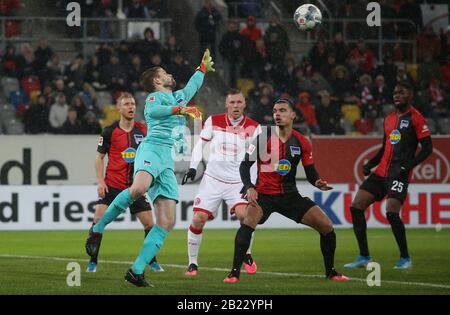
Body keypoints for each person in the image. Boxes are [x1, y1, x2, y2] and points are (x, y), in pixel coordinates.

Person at [85, 49, 215, 287]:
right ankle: (98, 226)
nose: (169, 74)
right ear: (157, 80)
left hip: (167, 160)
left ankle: (136, 271)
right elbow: (155, 112)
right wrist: (181, 110)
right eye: (164, 73)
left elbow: (192, 87)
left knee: (167, 222)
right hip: (151, 150)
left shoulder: (177, 96)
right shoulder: (154, 98)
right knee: (139, 188)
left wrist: (202, 69)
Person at [223, 98, 349, 283]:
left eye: (282, 110)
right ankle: (234, 273)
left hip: (290, 196)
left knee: (327, 226)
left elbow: (310, 172)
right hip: (264, 195)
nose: (277, 114)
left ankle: (331, 272)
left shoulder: (302, 142)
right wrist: (249, 187)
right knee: (248, 222)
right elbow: (244, 166)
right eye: (275, 111)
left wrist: (317, 182)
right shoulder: (263, 138)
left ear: (293, 115)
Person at [344, 82, 433, 269]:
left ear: (410, 95)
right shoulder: (389, 119)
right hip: (381, 172)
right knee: (356, 206)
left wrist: (408, 166)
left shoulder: (416, 118)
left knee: (391, 212)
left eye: (401, 92)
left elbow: (428, 148)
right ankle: (364, 256)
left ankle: (405, 258)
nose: (397, 95)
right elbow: (385, 148)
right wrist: (371, 163)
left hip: (398, 174)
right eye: (394, 92)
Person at [181, 89, 261, 277]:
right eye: (232, 102)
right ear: (226, 104)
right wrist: (193, 167)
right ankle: (192, 263)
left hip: (237, 182)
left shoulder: (254, 127)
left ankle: (247, 254)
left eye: (239, 102)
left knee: (245, 217)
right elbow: (200, 145)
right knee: (198, 219)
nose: (235, 106)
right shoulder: (213, 121)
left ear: (244, 104)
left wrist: (251, 184)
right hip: (212, 180)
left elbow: (256, 159)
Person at [85, 93, 163, 273]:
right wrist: (100, 181)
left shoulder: (143, 130)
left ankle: (151, 260)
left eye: (133, 104)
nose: (131, 107)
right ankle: (93, 260)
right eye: (126, 104)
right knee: (98, 220)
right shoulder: (109, 131)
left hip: (134, 188)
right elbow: (99, 158)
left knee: (150, 225)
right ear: (118, 108)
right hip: (112, 186)